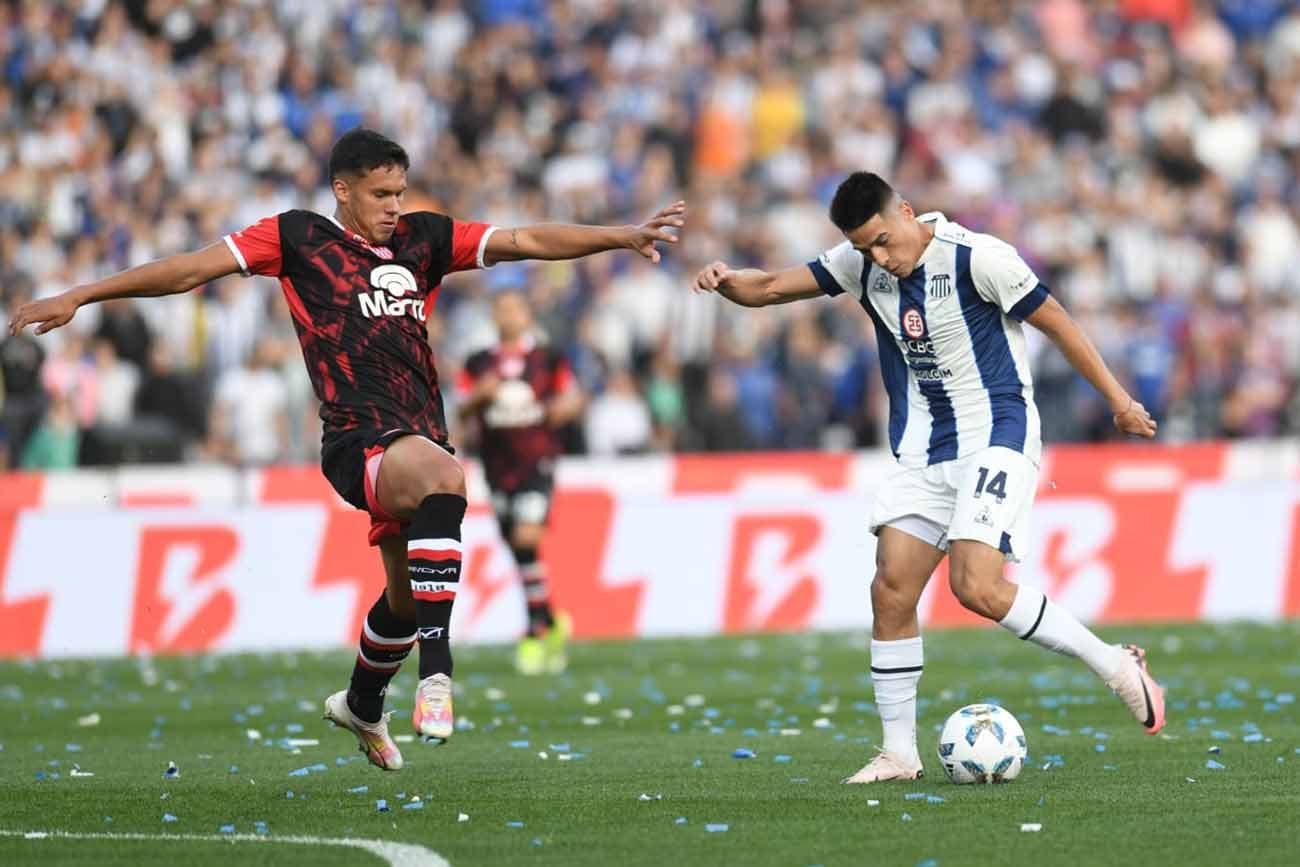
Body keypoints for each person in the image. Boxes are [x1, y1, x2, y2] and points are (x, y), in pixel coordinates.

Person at [10, 127, 684, 772]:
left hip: (419, 431)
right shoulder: (296, 236)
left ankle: (362, 703)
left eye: (401, 192)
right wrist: (83, 293)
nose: (396, 207)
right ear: (343, 188)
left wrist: (619, 236)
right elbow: (189, 270)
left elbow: (524, 238)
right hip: (357, 436)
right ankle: (438, 674)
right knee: (446, 479)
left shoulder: (426, 239)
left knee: (406, 596)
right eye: (382, 194)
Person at [692, 172, 1163, 784]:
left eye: (884, 242)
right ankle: (899, 753)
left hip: (998, 434)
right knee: (890, 590)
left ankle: (1116, 666)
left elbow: (1058, 323)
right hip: (924, 451)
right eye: (865, 250)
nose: (879, 259)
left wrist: (1118, 400)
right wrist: (727, 283)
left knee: (977, 586)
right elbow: (773, 287)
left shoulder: (979, 258)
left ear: (908, 212)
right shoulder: (863, 263)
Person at [457, 291, 583, 675]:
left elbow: (573, 397)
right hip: (496, 463)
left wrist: (562, 409)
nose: (508, 314)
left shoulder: (548, 357)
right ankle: (550, 618)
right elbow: (461, 408)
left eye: (515, 307)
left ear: (528, 314)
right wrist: (480, 397)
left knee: (527, 540)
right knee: (516, 546)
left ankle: (534, 631)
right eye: (502, 308)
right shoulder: (478, 362)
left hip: (537, 459)